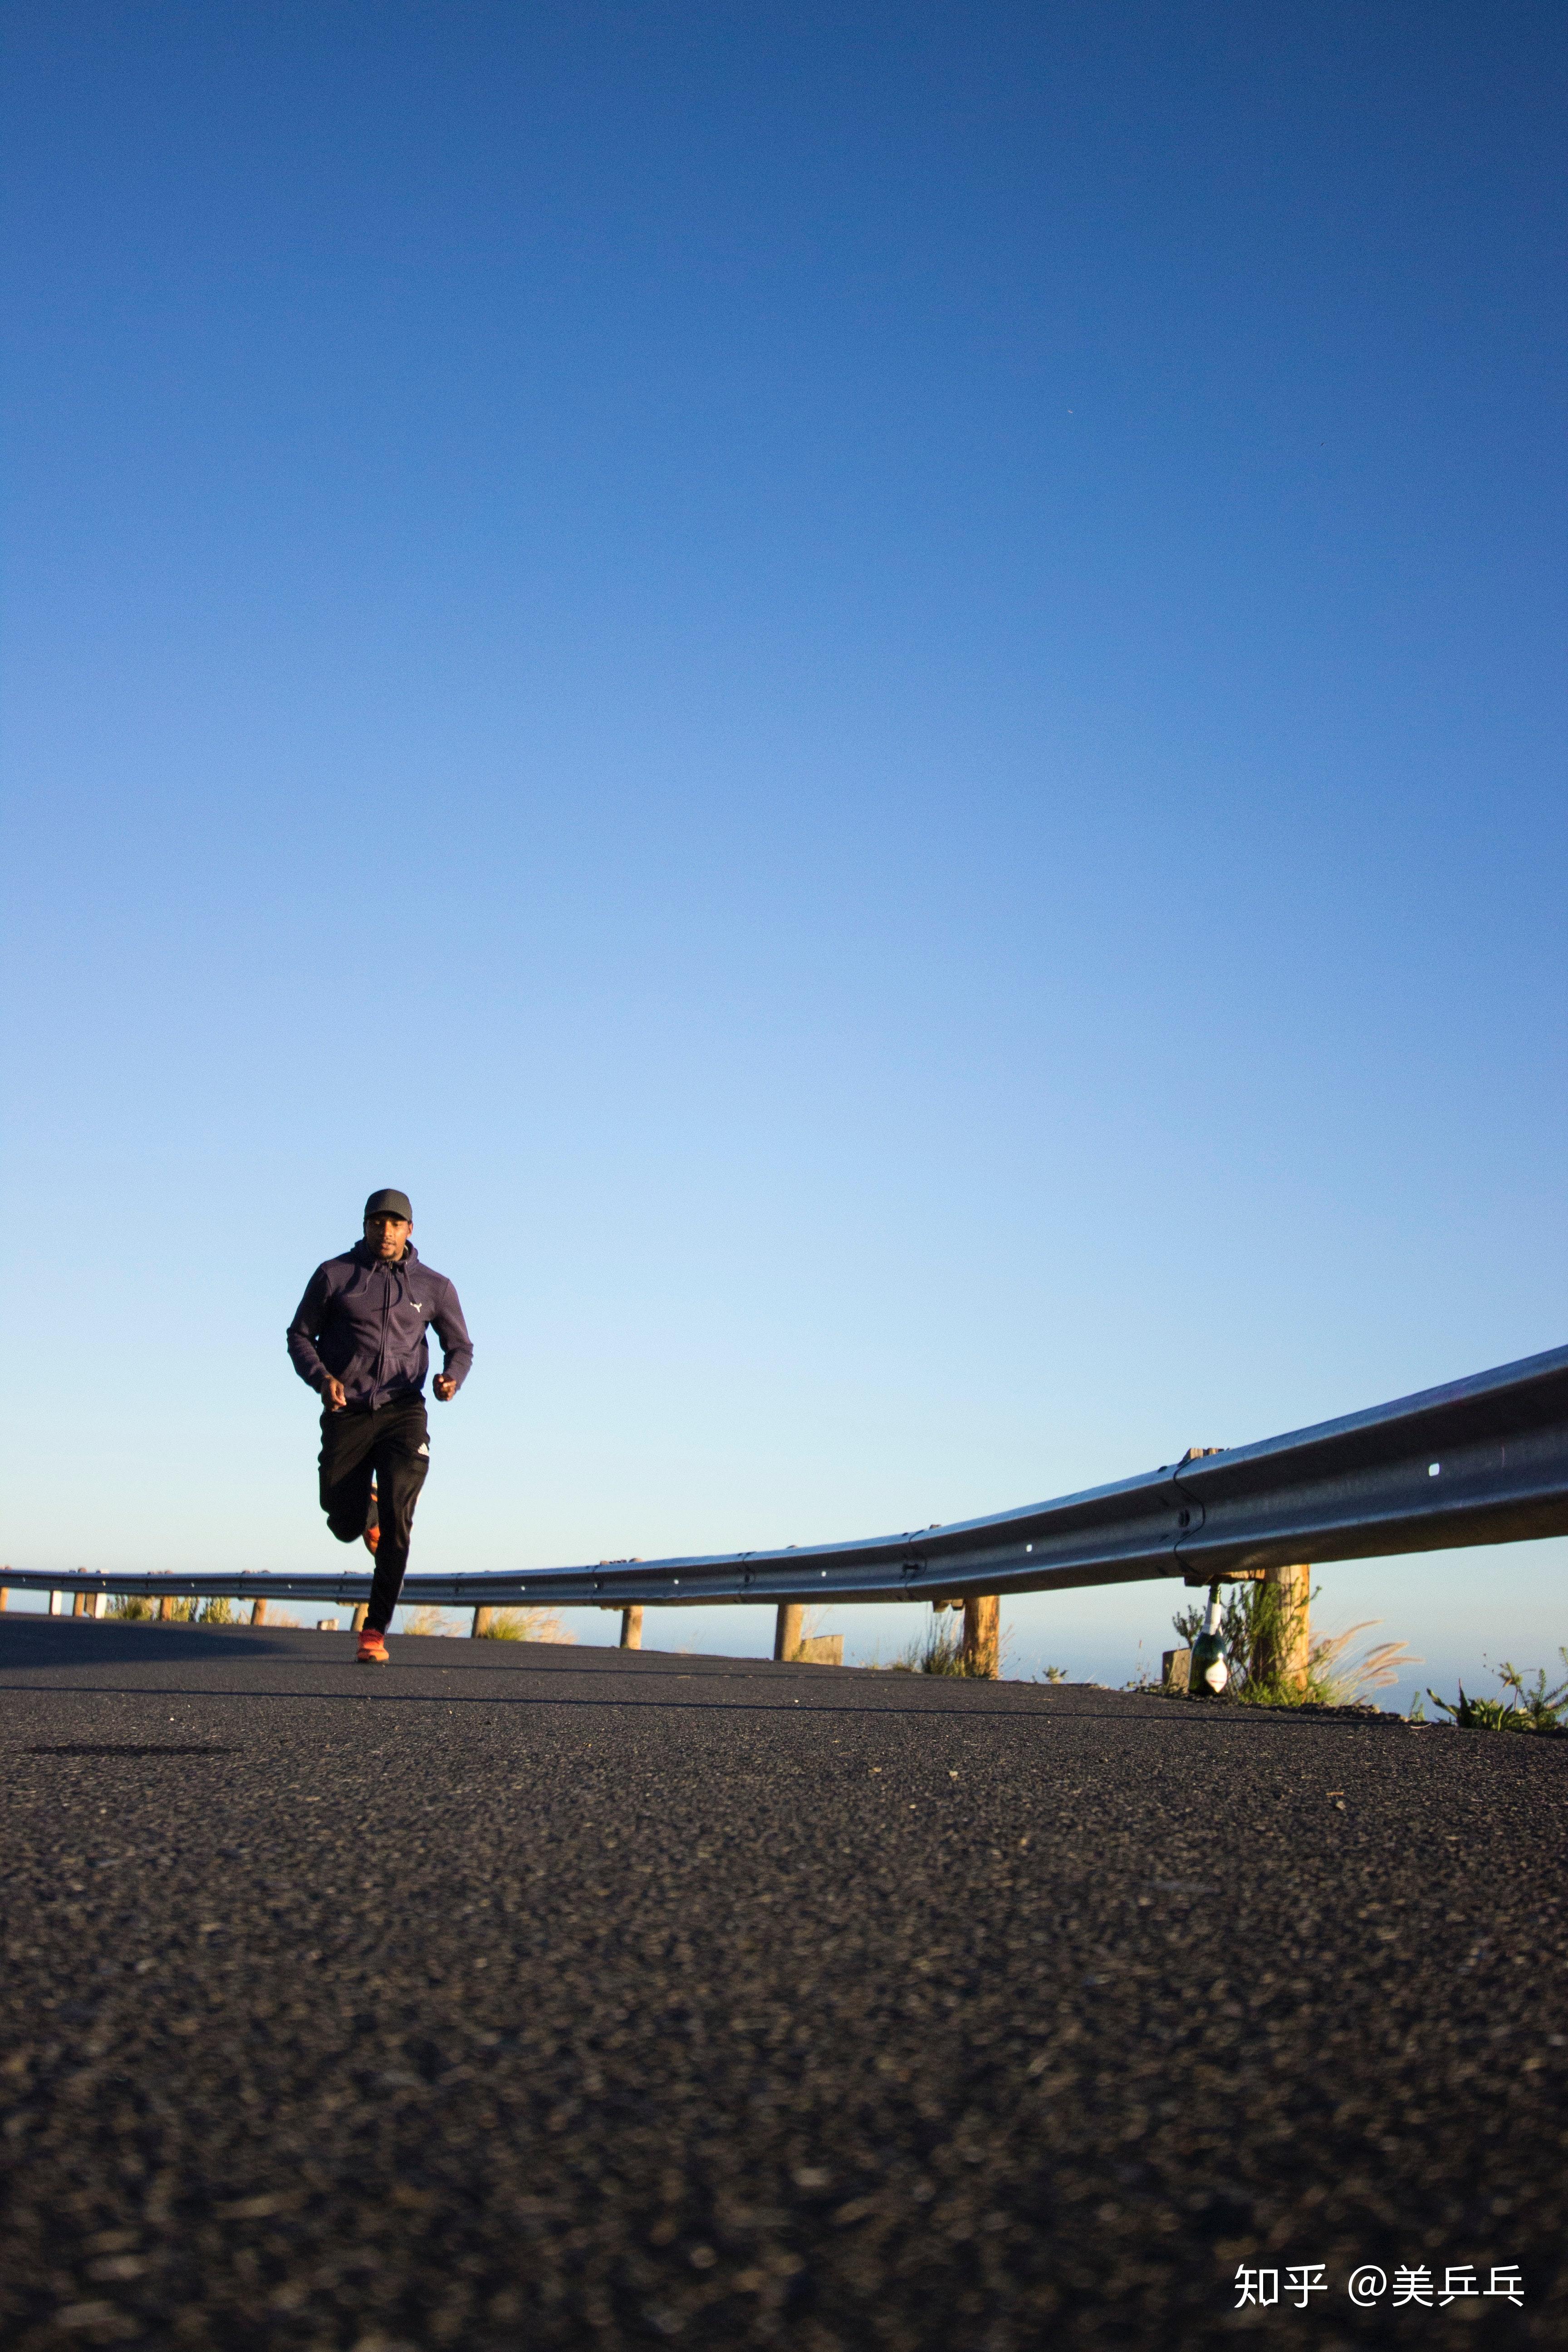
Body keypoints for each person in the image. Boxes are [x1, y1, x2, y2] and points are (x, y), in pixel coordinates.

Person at [286, 1189, 473, 1663]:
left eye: (395, 1224)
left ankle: (374, 1631)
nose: (385, 1232)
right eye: (377, 1223)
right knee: (343, 1520)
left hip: (403, 1412)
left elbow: (461, 1346)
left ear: (410, 1230)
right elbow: (299, 1335)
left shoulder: (435, 1286)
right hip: (347, 1410)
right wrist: (323, 1379)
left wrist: (453, 1377)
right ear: (366, 1225)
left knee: (399, 1519)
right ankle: (361, 1513)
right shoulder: (335, 1275)